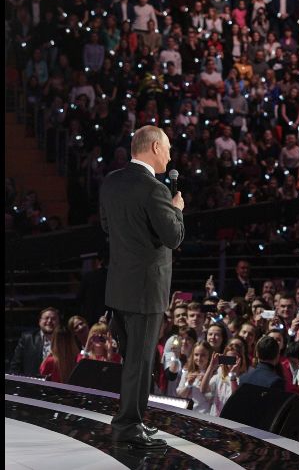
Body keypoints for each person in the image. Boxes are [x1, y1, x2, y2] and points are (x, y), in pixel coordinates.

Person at [100, 125, 185, 449]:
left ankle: (129, 421)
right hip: (146, 290)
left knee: (131, 360)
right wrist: (176, 210)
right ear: (152, 148)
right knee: (140, 361)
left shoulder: (111, 182)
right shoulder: (155, 190)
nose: (169, 154)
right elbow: (173, 237)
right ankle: (128, 425)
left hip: (119, 287)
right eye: (167, 148)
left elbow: (108, 226)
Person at [11, 307, 60, 377]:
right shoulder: (27, 338)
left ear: (58, 322)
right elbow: (15, 366)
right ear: (40, 321)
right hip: (32, 385)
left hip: (57, 385)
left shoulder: (64, 341)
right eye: (46, 318)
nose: (49, 321)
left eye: (53, 319)